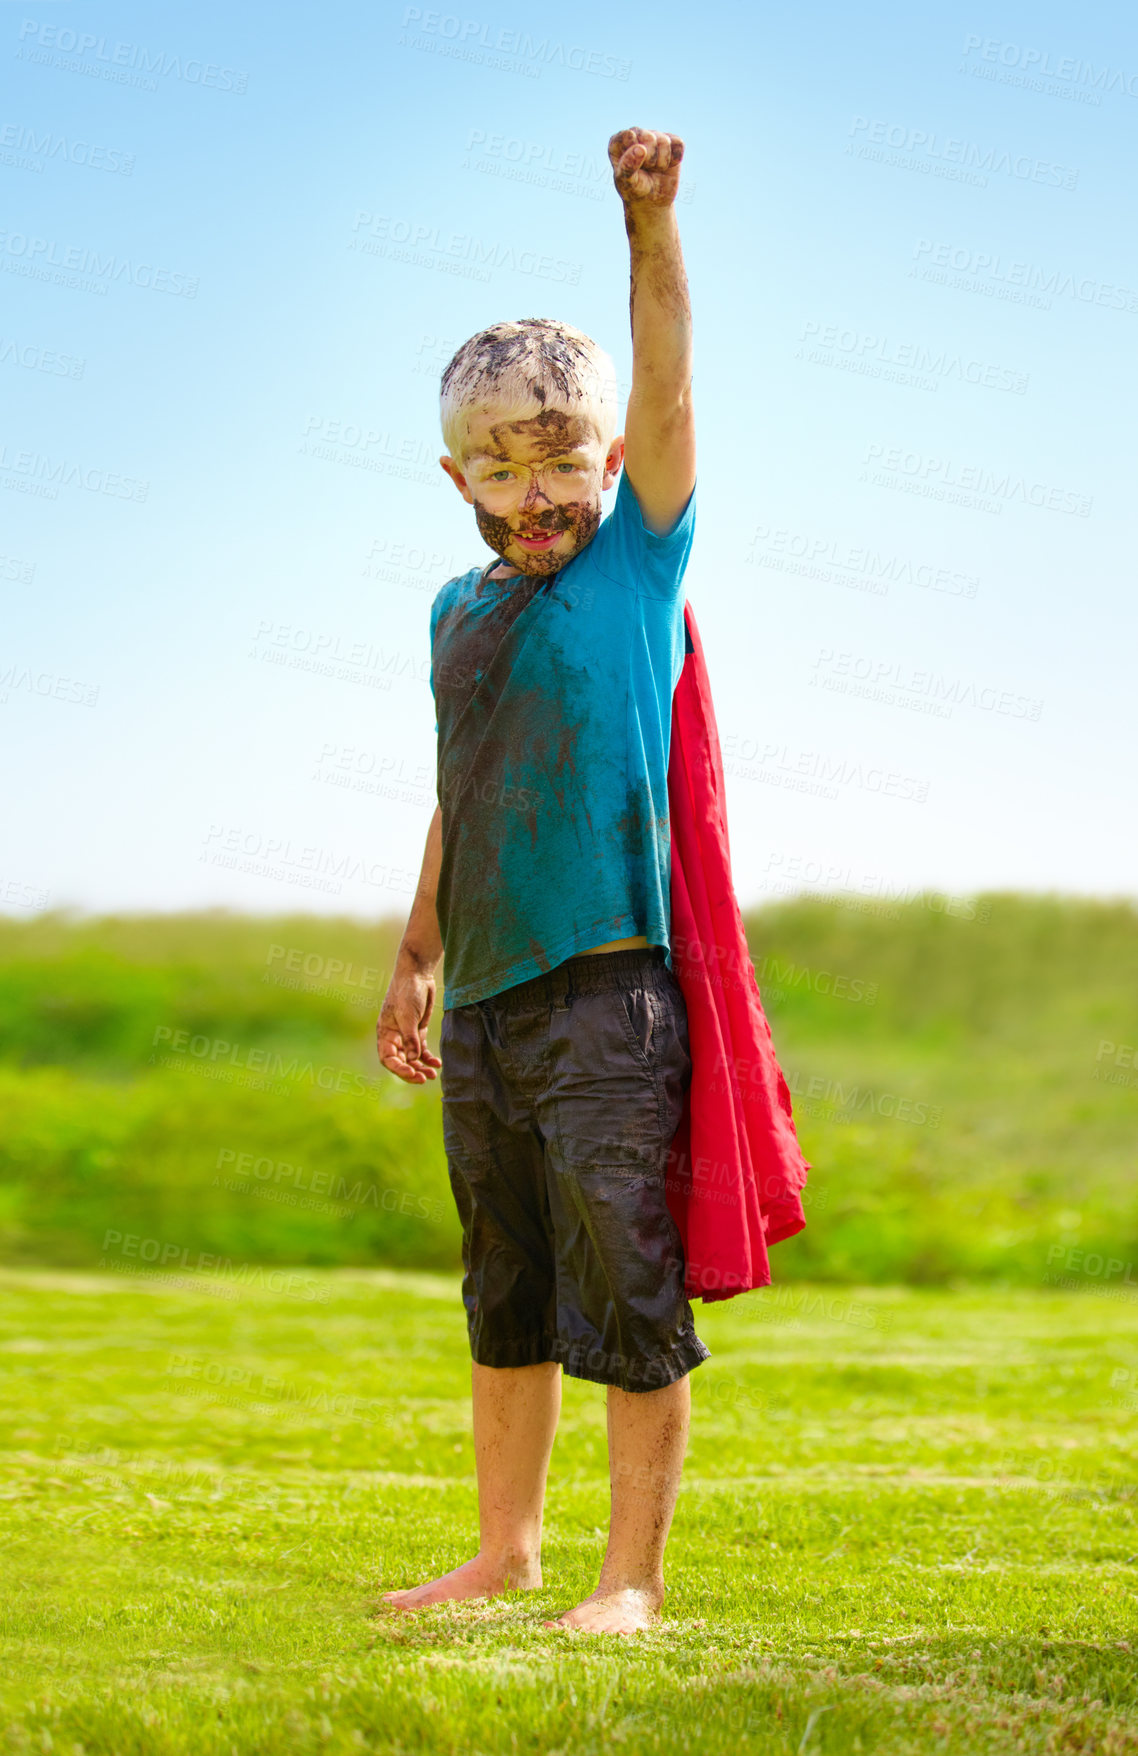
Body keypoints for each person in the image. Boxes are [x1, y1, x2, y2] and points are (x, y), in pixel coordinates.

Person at [376, 127, 701, 1636]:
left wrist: (647, 226)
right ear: (456, 475)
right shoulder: (455, 609)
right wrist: (417, 949)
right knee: (501, 1289)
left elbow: (668, 373)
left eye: (558, 451)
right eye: (497, 464)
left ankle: (625, 1578)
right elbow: (462, 782)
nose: (530, 487)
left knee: (623, 1292)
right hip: (491, 995)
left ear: (611, 455)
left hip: (608, 988)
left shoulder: (638, 562)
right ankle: (502, 1550)